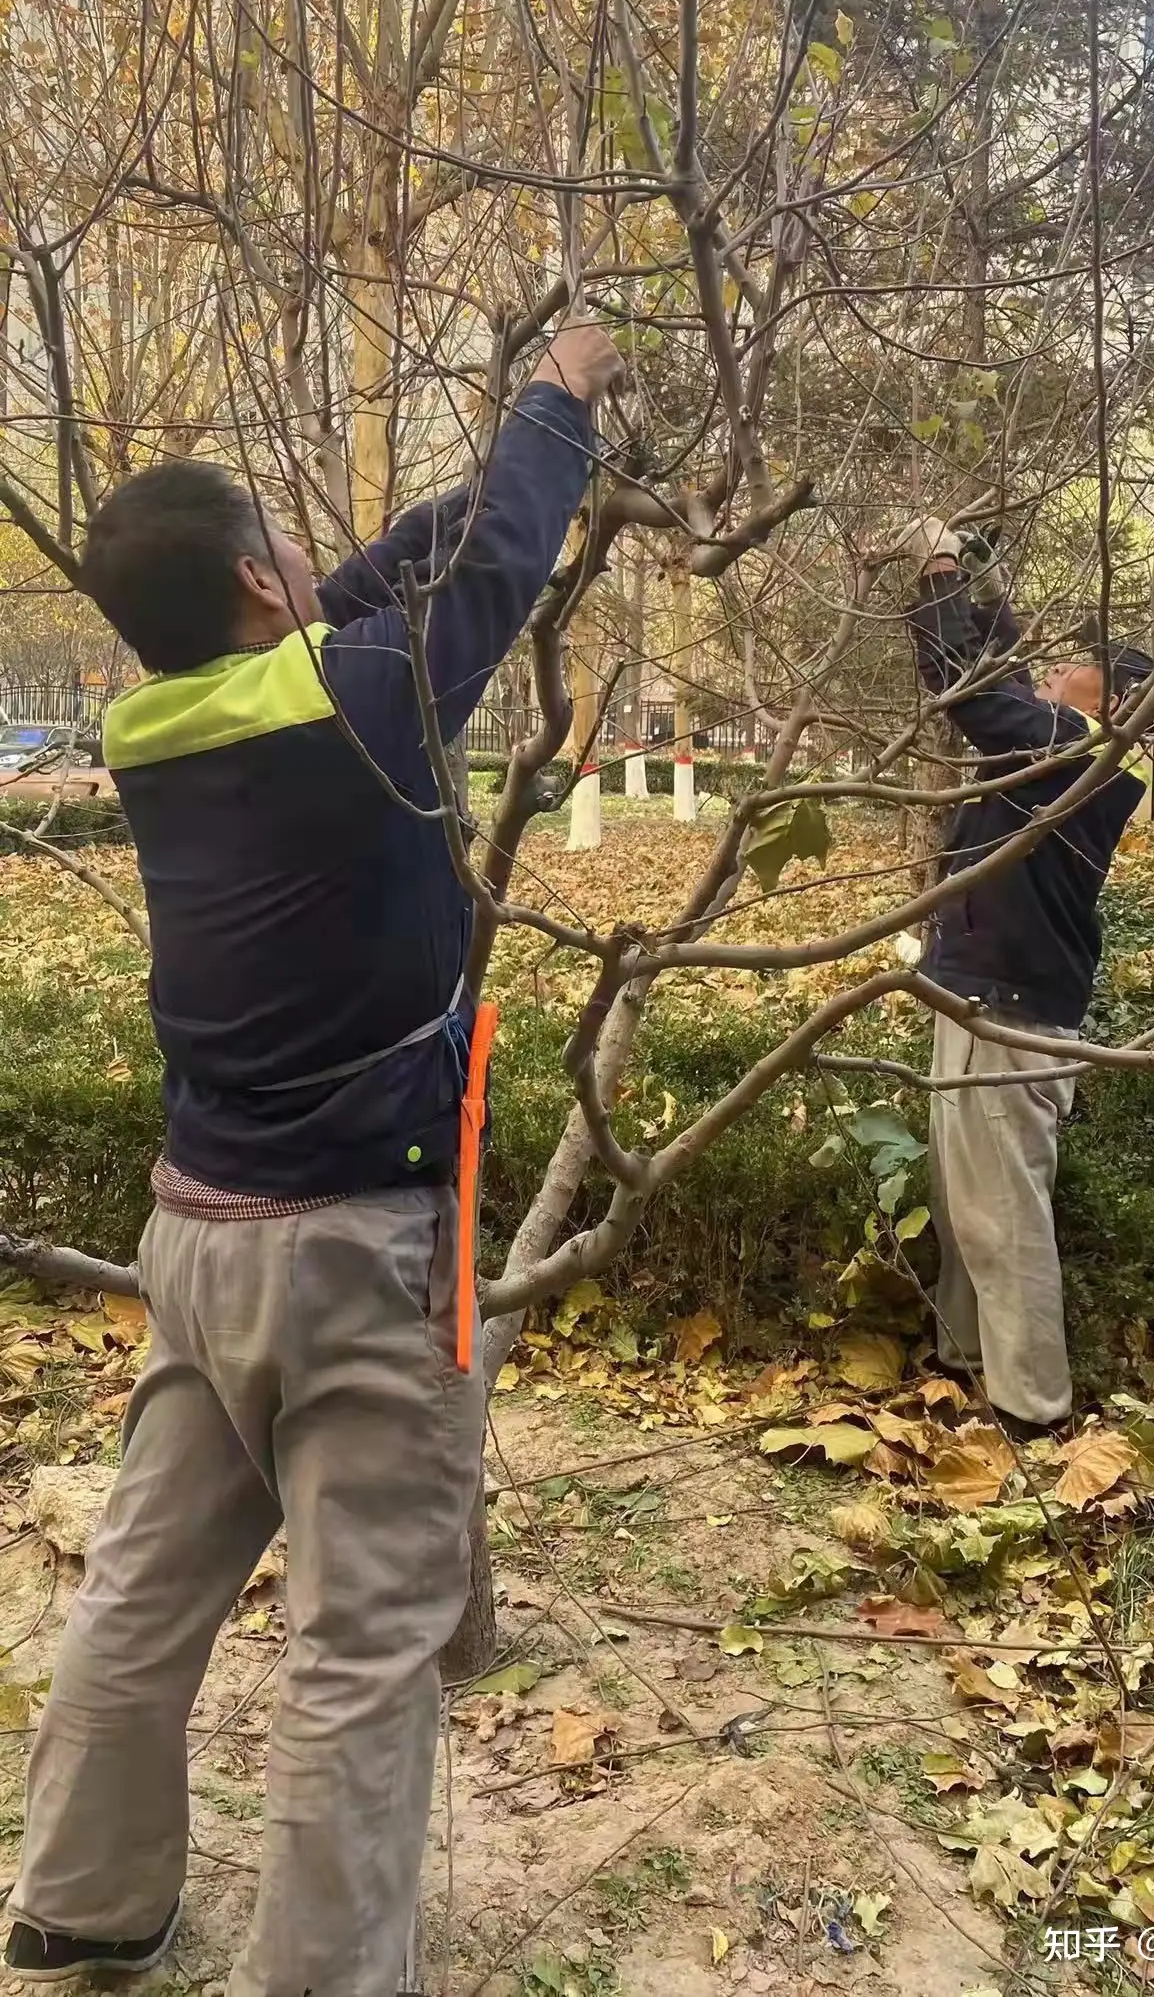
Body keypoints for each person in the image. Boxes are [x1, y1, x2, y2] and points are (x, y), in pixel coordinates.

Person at [4, 321, 625, 1994]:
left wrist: (475, 478)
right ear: (260, 588)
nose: (308, 560)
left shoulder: (157, 729)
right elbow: (483, 572)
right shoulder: (360, 698)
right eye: (282, 541)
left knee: (145, 1587)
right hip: (358, 1249)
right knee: (360, 1649)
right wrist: (553, 404)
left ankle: (83, 1896)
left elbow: (354, 588)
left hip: (196, 1241)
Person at [900, 516, 1151, 1437]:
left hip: (1007, 1016)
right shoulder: (1058, 739)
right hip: (980, 999)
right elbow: (1003, 678)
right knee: (971, 1208)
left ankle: (1034, 1416)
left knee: (1003, 1220)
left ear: (1116, 698)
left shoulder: (1087, 749)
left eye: (1072, 667)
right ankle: (965, 1368)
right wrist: (980, 575)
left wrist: (936, 570)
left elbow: (978, 696)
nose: (1051, 672)